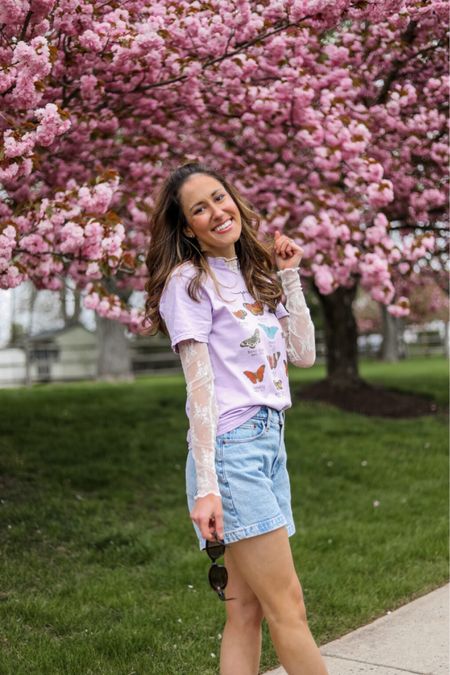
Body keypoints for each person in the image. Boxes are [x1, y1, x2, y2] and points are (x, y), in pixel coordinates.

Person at [144, 161, 328, 675]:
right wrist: (208, 485)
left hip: (269, 445)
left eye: (219, 198)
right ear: (187, 228)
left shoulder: (252, 275)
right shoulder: (190, 283)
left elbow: (304, 354)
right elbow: (199, 389)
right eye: (198, 209)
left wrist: (289, 276)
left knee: (245, 612)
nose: (216, 212)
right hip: (232, 451)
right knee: (288, 606)